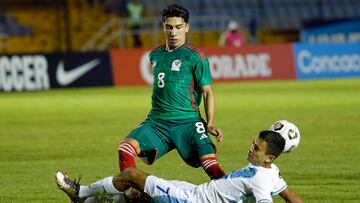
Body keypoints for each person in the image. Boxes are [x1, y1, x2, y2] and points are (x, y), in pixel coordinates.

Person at [117, 3, 225, 181]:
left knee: (211, 165)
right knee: (125, 149)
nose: (173, 32)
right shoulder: (155, 55)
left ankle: (232, 197)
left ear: (187, 27)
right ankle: (132, 193)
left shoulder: (196, 56)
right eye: (169, 27)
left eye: (178, 27)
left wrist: (211, 123)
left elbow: (207, 92)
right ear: (163, 27)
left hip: (188, 122)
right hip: (157, 122)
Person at [55, 130, 303, 203]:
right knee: (137, 197)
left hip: (191, 200)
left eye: (256, 149)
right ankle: (87, 202)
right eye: (252, 143)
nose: (250, 149)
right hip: (194, 191)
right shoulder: (272, 173)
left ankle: (81, 191)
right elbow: (291, 196)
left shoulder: (261, 180)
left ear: (269, 158)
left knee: (131, 175)